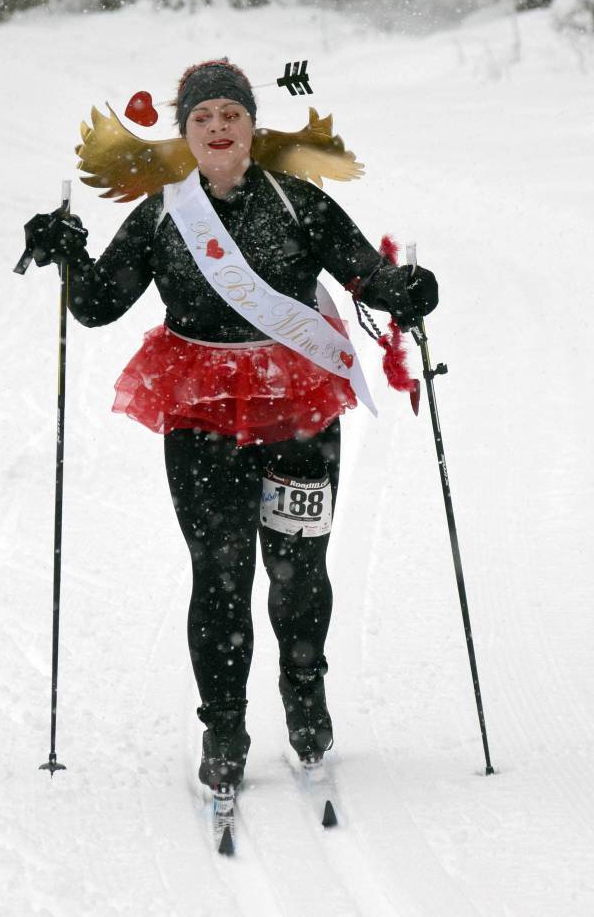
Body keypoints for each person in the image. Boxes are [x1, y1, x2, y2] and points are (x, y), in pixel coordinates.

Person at [22, 59, 438, 792]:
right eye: (204, 118)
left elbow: (361, 273)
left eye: (232, 116)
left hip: (297, 404)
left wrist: (404, 290)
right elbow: (96, 305)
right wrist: (68, 252)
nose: (219, 128)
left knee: (299, 564)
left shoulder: (299, 202)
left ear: (252, 127)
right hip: (199, 412)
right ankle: (224, 724)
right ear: (185, 133)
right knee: (219, 572)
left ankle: (304, 687)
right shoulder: (161, 213)